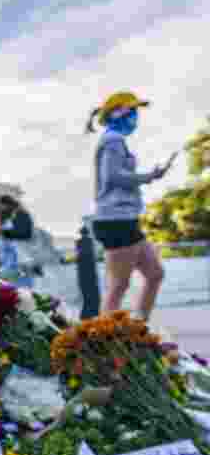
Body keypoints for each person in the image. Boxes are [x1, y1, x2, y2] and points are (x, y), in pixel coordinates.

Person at [86, 91, 172, 320]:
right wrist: (149, 176)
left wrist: (150, 176)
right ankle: (100, 343)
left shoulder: (114, 139)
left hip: (123, 220)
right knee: (119, 286)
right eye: (132, 111)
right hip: (115, 221)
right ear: (118, 113)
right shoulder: (113, 139)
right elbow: (112, 176)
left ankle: (139, 326)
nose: (135, 116)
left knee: (155, 273)